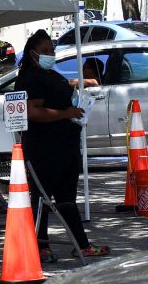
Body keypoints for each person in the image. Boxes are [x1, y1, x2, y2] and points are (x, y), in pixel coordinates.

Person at [14, 30, 109, 262]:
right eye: (45, 51)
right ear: (32, 53)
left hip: (65, 146)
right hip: (45, 148)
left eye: (52, 50)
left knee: (66, 198)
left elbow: (59, 90)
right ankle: (41, 246)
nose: (50, 55)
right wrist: (65, 113)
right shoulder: (29, 77)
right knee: (42, 198)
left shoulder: (48, 74)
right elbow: (32, 111)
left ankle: (81, 244)